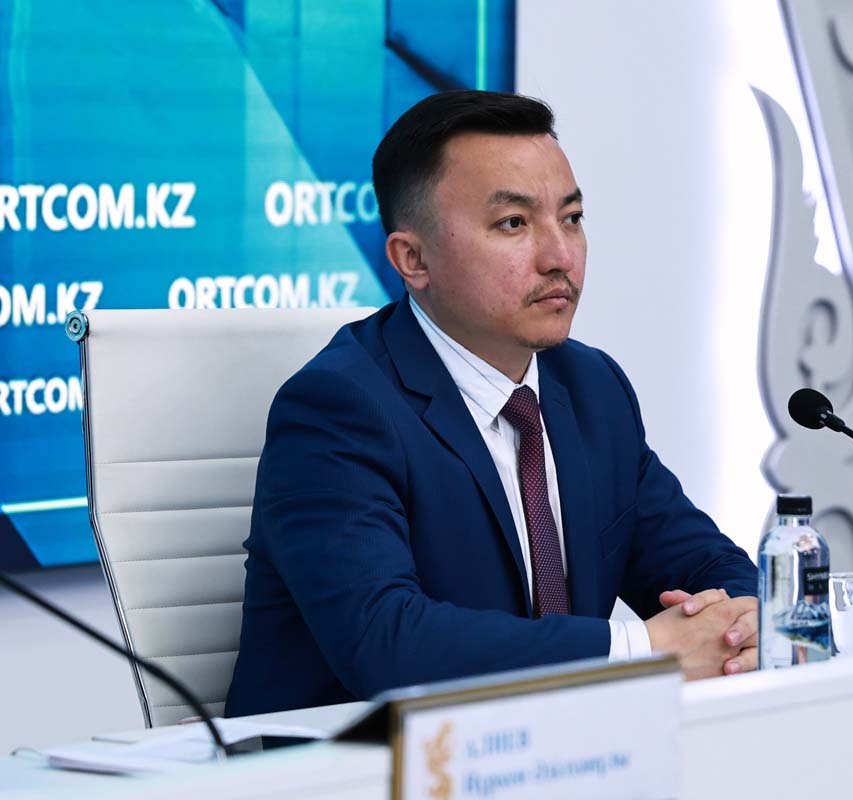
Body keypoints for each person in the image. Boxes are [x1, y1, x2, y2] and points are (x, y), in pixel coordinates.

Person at [225, 90, 759, 717]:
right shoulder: (338, 408)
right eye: (514, 224)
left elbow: (706, 562)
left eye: (572, 218)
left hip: (561, 753)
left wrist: (742, 624)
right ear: (412, 259)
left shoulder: (592, 387)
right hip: (355, 760)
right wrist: (642, 649)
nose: (560, 256)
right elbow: (387, 642)